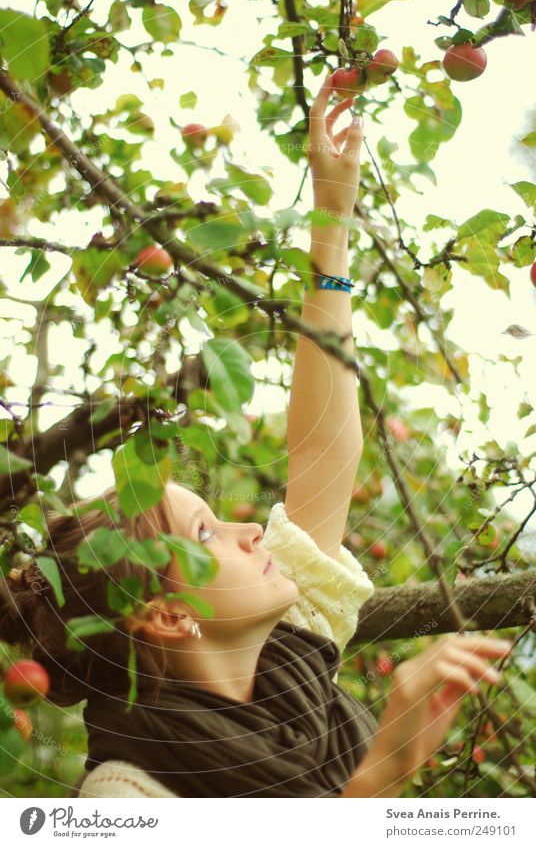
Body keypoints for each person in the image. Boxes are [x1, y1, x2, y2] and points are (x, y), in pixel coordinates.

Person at [0, 72, 512, 799]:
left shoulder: (288, 660)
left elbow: (327, 450)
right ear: (171, 615)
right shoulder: (123, 795)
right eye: (206, 531)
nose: (253, 530)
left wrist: (332, 218)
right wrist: (384, 770)